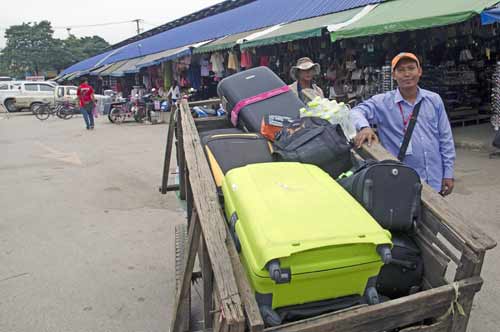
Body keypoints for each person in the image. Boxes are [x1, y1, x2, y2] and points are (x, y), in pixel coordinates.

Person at [350, 52, 456, 196]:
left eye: (411, 68)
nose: (407, 74)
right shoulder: (383, 102)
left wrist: (448, 173)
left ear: (419, 71)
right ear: (394, 75)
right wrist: (364, 127)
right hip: (401, 182)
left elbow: (445, 138)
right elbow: (355, 111)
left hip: (434, 179)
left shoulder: (434, 100)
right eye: (401, 70)